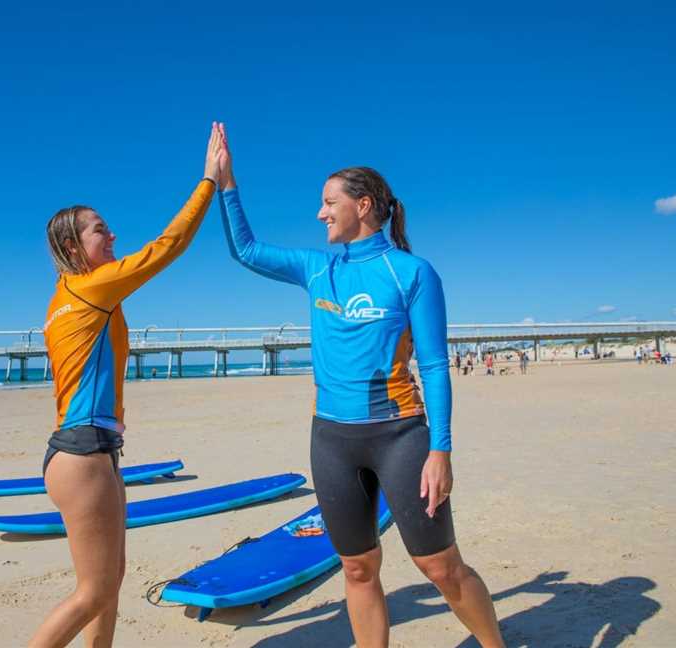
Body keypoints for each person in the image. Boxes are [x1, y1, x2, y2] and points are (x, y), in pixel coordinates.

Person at [215, 124, 503, 647]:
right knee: (357, 569)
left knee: (439, 566)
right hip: (331, 439)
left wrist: (441, 449)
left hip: (400, 436)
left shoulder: (411, 273)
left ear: (363, 205)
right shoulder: (316, 269)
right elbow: (246, 250)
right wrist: (226, 183)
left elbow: (435, 366)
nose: (320, 213)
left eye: (329, 202)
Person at [31, 124, 223, 647]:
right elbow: (168, 247)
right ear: (74, 245)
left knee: (109, 585)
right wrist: (209, 181)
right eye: (100, 230)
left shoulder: (68, 294)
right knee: (93, 591)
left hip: (95, 452)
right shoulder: (90, 287)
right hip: (81, 456)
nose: (112, 236)